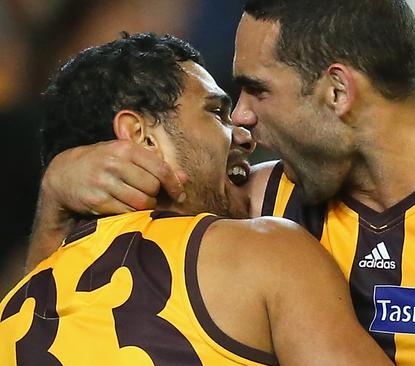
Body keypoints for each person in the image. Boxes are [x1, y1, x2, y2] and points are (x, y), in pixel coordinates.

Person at [27, 1, 415, 365]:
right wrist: (59, 189)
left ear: (337, 90)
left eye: (256, 90)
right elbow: (53, 316)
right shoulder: (252, 203)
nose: (241, 118)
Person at [0, 32, 392, 366]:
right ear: (142, 136)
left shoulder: (14, 314)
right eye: (216, 112)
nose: (243, 134)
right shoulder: (267, 250)